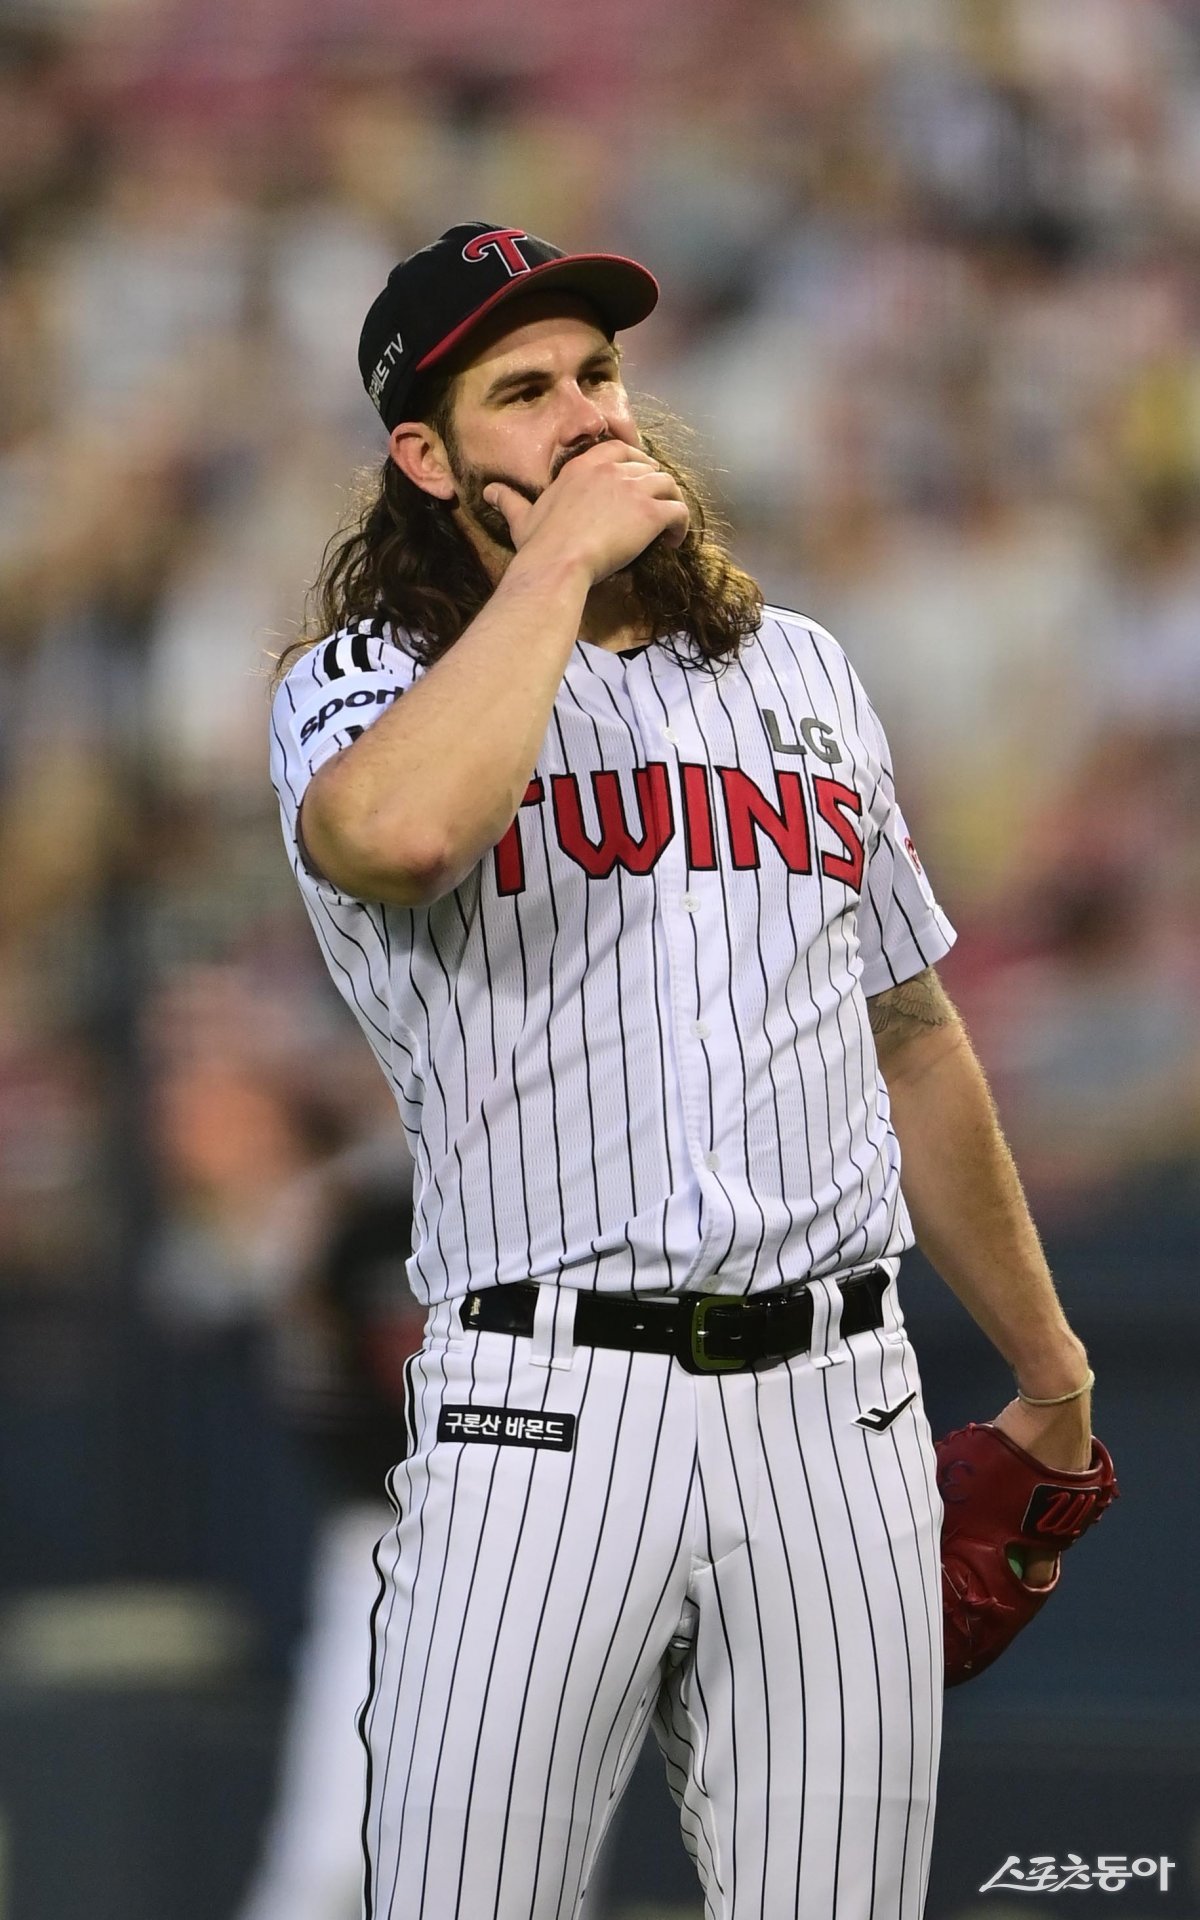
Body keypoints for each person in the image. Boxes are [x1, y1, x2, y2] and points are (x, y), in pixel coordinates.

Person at [268, 220, 1095, 1920]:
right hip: (542, 1408)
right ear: (424, 458)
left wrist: (1052, 1370)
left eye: (597, 375)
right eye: (522, 394)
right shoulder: (362, 684)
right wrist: (559, 567)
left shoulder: (796, 670)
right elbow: (400, 836)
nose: (586, 415)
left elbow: (912, 1034)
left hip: (839, 1413)